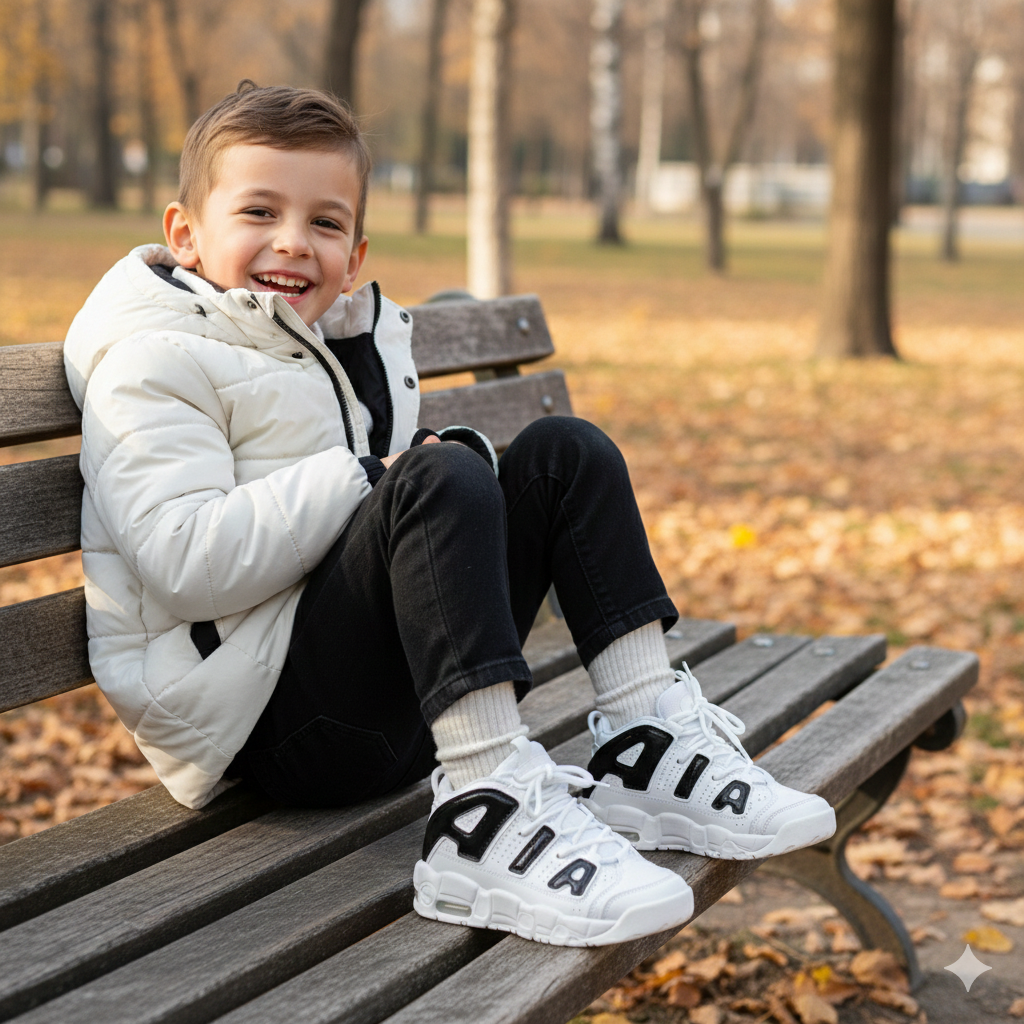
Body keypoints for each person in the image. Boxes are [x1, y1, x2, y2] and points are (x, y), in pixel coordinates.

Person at [64, 82, 835, 949]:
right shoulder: (154, 363)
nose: (292, 241)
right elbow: (184, 562)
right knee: (439, 477)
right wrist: (370, 475)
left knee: (563, 453)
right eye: (259, 211)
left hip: (389, 699)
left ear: (355, 255)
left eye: (324, 223)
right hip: (268, 729)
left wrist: (398, 477)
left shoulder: (349, 339)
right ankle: (484, 815)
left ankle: (646, 741)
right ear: (185, 235)